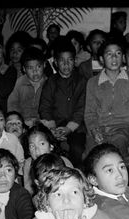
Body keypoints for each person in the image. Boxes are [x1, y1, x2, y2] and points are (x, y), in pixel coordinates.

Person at [84, 38, 129, 166]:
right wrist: (94, 130)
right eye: (109, 54)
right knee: (93, 156)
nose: (114, 58)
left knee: (117, 146)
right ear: (101, 59)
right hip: (100, 127)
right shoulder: (93, 82)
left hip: (123, 127)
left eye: (118, 53)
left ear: (122, 58)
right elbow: (89, 113)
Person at [39, 39, 87, 169]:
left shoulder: (81, 81)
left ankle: (77, 176)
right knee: (50, 150)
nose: (66, 65)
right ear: (55, 62)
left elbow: (81, 108)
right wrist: (52, 129)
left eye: (70, 60)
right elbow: (45, 107)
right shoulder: (51, 82)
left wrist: (68, 129)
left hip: (76, 127)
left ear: (75, 61)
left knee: (77, 149)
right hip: (54, 127)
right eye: (62, 61)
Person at [23, 123, 73, 195]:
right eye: (32, 146)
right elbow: (28, 192)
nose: (37, 150)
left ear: (51, 146)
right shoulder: (28, 163)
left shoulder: (63, 162)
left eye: (42, 144)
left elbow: (72, 186)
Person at [7, 47, 47, 128]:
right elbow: (12, 106)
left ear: (44, 65)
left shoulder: (49, 83)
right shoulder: (19, 83)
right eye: (30, 68)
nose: (35, 71)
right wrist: (21, 121)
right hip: (22, 124)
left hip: (44, 123)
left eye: (38, 66)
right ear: (24, 69)